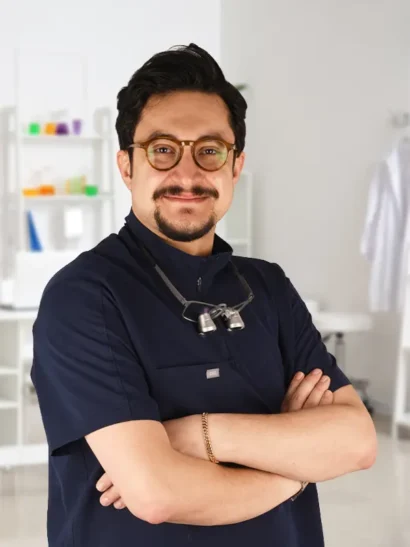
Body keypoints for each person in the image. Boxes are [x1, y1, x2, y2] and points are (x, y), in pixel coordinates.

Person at [31, 43, 377, 547]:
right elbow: (157, 493)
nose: (188, 174)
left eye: (210, 150)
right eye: (162, 149)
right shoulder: (85, 297)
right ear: (127, 166)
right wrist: (298, 470)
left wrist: (198, 434)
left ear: (235, 166)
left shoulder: (268, 287)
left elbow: (357, 441)